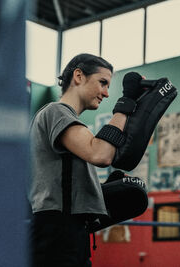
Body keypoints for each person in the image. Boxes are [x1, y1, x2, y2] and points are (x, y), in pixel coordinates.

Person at [27, 53, 145, 267]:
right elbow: (100, 154)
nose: (106, 93)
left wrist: (100, 189)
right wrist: (125, 105)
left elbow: (61, 179)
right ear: (79, 76)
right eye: (103, 83)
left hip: (70, 229)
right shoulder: (56, 111)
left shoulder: (69, 123)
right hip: (57, 230)